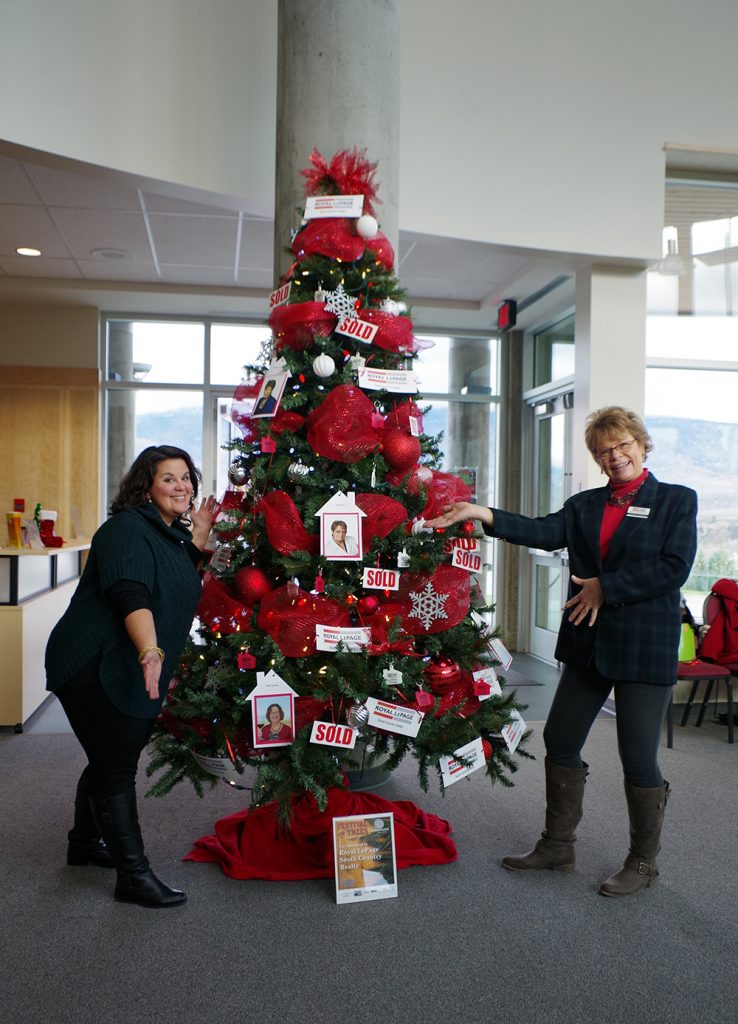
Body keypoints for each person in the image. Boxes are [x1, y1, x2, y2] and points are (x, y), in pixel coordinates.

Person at [426, 406, 697, 897]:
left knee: (637, 758)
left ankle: (642, 862)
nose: (615, 456)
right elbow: (542, 530)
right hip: (588, 643)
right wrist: (480, 513)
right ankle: (557, 844)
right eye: (604, 450)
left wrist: (603, 588)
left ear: (641, 443)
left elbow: (673, 569)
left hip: (643, 647)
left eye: (622, 445)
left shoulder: (677, 501)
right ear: (596, 458)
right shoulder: (585, 506)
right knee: (561, 739)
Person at [45, 445, 216, 908]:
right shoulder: (126, 530)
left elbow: (177, 584)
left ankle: (83, 844)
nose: (181, 486)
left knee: (110, 753)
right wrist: (150, 651)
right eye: (168, 478)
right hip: (92, 660)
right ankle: (133, 876)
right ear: (145, 485)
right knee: (116, 762)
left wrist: (198, 537)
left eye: (186, 477)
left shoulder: (168, 534)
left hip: (129, 660)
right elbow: (131, 593)